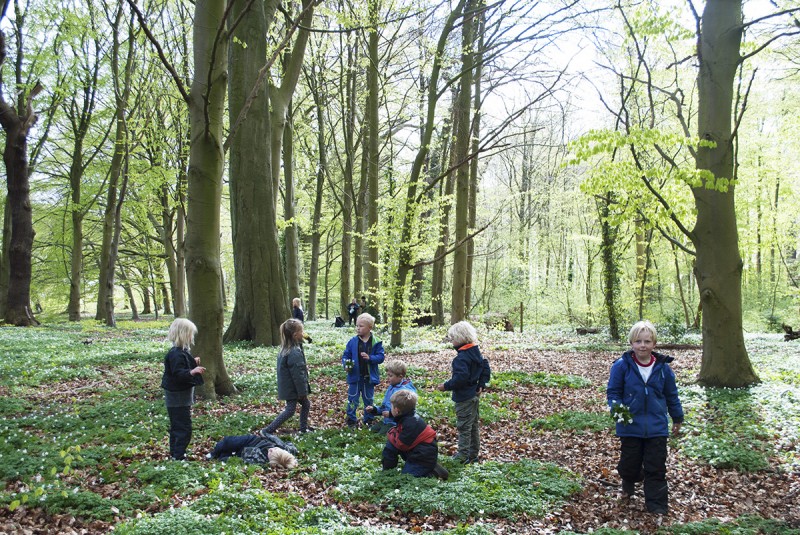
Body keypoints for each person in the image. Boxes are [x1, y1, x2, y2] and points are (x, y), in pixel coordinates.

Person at [607, 320, 684, 515]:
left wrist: (677, 417)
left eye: (647, 341)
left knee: (656, 467)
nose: (643, 345)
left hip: (656, 426)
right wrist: (617, 409)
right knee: (629, 464)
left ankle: (657, 505)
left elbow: (671, 395)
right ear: (632, 343)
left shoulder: (663, 368)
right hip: (630, 425)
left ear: (654, 344)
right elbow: (614, 392)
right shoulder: (622, 366)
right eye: (638, 341)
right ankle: (629, 479)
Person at [437, 320, 491, 464]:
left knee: (464, 427)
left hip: (464, 398)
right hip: (474, 395)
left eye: (453, 338)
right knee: (473, 426)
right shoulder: (476, 352)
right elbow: (485, 366)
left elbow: (460, 378)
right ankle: (473, 454)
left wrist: (446, 386)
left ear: (460, 338)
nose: (451, 341)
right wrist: (481, 384)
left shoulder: (461, 358)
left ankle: (462, 456)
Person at [161, 318, 206, 460]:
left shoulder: (181, 351)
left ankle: (175, 453)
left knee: (177, 426)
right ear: (183, 334)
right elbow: (178, 373)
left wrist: (193, 363)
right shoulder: (175, 353)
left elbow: (182, 366)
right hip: (177, 398)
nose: (192, 337)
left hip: (180, 397)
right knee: (183, 428)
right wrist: (192, 371)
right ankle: (179, 455)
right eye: (190, 334)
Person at [261, 319, 312, 434]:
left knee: (306, 404)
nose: (303, 333)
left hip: (289, 386)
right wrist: (302, 392)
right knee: (290, 410)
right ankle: (267, 430)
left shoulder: (287, 349)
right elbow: (298, 374)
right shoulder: (294, 352)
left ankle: (303, 429)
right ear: (295, 335)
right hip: (292, 387)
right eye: (301, 331)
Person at [382, 390, 447, 479]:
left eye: (391, 407)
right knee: (391, 445)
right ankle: (387, 470)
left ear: (397, 410)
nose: (391, 409)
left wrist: (391, 434)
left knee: (407, 477)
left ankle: (433, 471)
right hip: (415, 450)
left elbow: (402, 445)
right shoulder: (406, 416)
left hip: (422, 456)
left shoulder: (411, 422)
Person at [341, 312, 385, 428]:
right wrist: (346, 364)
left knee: (368, 399)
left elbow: (381, 357)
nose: (358, 328)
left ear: (369, 327)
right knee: (352, 398)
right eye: (357, 326)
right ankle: (351, 420)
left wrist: (370, 358)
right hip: (355, 377)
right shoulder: (352, 341)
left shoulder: (376, 342)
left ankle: (368, 420)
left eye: (361, 326)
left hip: (369, 378)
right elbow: (346, 356)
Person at [365, 359, 417, 434]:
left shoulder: (405, 392)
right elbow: (384, 407)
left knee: (380, 435)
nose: (388, 378)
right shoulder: (391, 387)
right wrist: (374, 409)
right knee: (372, 430)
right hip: (386, 420)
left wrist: (391, 414)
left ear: (400, 376)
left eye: (391, 376)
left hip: (396, 423)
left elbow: (406, 412)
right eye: (388, 375)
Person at [207, 431, 298, 469]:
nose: (271, 449)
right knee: (229, 442)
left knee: (226, 455)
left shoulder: (259, 461)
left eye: (271, 453)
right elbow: (292, 448)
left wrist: (224, 460)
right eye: (275, 449)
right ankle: (215, 452)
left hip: (243, 452)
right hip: (252, 440)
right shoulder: (286, 450)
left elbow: (240, 461)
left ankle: (216, 455)